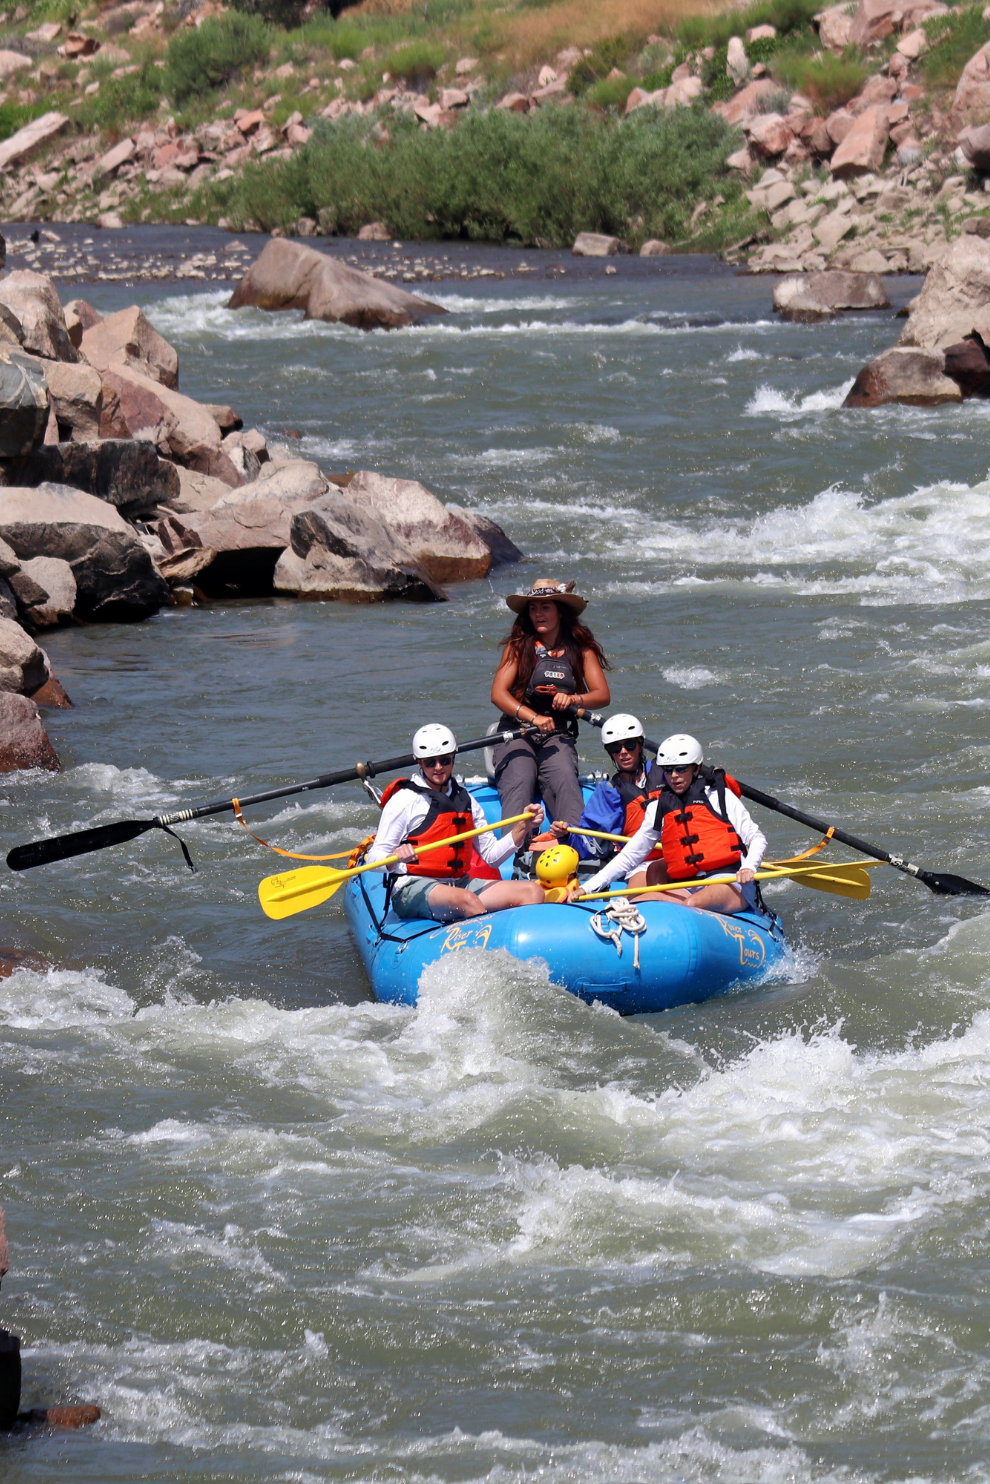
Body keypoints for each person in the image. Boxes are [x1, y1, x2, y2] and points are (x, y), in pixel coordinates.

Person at [366, 723, 546, 923]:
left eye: (444, 760)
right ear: (419, 762)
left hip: (458, 883)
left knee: (533, 892)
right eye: (429, 762)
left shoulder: (466, 800)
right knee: (468, 901)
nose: (438, 768)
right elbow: (373, 858)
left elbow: (492, 857)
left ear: (453, 757)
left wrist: (523, 827)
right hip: (412, 886)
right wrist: (393, 857)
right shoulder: (404, 800)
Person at [574, 733, 767, 915]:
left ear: (696, 769)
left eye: (681, 768)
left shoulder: (719, 797)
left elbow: (756, 838)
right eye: (668, 770)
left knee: (691, 905)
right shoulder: (658, 808)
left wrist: (748, 867)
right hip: (687, 885)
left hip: (728, 881)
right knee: (638, 901)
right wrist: (587, 888)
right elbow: (630, 856)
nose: (674, 775)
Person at [490, 578, 611, 832]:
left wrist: (575, 698)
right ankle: (516, 851)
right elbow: (498, 695)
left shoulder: (581, 649)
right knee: (520, 777)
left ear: (560, 611)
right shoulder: (517, 646)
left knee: (565, 777)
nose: (538, 614)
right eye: (533, 608)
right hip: (518, 730)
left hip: (557, 734)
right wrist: (533, 718)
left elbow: (602, 695)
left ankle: (575, 846)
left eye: (545, 607)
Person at [544, 714, 662, 878]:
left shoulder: (667, 771)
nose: (623, 753)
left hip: (675, 853)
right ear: (610, 752)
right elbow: (588, 844)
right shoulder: (608, 794)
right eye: (615, 748)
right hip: (639, 865)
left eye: (629, 745)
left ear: (640, 745)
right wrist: (566, 835)